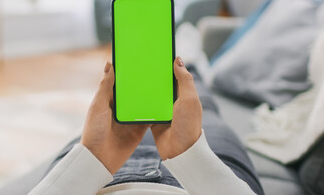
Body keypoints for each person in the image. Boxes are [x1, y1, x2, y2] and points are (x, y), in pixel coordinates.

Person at [28, 57, 264, 195]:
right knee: (201, 100)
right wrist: (192, 156)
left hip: (89, 177)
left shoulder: (94, 157)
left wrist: (93, 156)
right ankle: (193, 63)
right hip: (205, 182)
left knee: (151, 92)